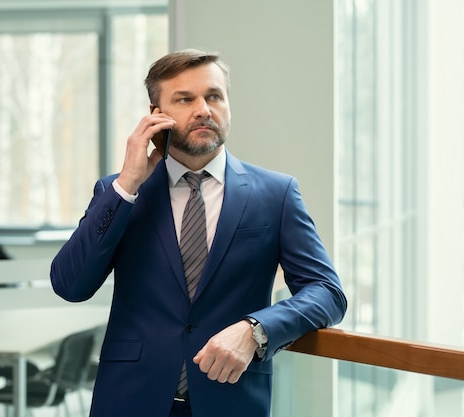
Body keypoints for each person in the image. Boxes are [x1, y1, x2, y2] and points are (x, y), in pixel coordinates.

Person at [50, 48, 347, 417]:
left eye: (214, 96)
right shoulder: (123, 192)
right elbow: (69, 284)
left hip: (231, 399)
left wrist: (256, 329)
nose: (203, 109)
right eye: (185, 99)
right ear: (156, 115)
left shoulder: (276, 194)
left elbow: (328, 293)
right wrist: (127, 183)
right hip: (129, 400)